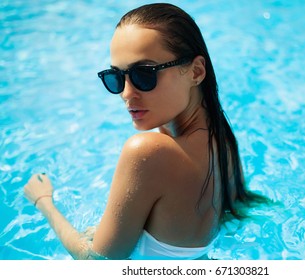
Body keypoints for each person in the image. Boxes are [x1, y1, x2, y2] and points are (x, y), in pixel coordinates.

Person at [24, 3, 269, 260]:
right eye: (116, 77)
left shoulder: (147, 152)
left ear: (196, 72)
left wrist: (44, 202)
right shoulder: (222, 140)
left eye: (144, 74)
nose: (126, 94)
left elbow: (95, 264)